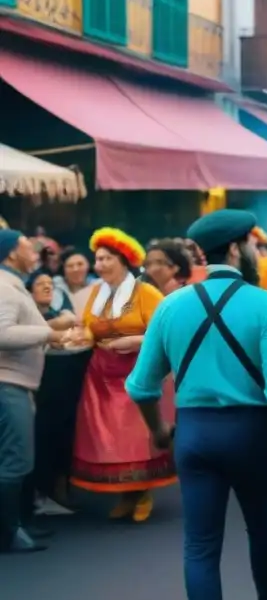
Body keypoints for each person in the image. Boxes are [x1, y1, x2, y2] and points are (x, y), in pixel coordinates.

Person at [125, 209, 267, 600]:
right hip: (249, 433)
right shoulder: (264, 304)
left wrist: (159, 431)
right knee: (263, 525)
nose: (258, 252)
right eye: (253, 245)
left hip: (195, 435)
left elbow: (141, 386)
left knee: (200, 545)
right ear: (237, 247)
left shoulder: (170, 305)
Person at [69, 227, 175, 522]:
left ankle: (141, 492)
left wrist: (134, 341)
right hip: (101, 374)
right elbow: (92, 326)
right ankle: (127, 494)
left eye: (105, 259)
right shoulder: (95, 295)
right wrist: (83, 336)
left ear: (123, 260)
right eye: (98, 259)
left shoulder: (146, 293)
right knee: (111, 437)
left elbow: (164, 333)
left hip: (137, 372)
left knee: (136, 434)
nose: (99, 264)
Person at [0, 230, 73, 553]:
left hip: (17, 383)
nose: (36, 253)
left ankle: (18, 524)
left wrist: (49, 329)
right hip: (8, 383)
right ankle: (9, 532)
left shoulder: (12, 284)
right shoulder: (4, 285)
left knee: (16, 458)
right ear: (12, 253)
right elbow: (3, 333)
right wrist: (49, 335)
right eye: (29, 248)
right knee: (16, 460)